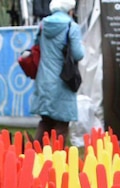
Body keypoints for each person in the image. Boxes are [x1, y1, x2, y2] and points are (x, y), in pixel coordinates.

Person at [30, 0, 85, 143]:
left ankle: (35, 155)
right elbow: (78, 54)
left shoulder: (43, 25)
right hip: (63, 80)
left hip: (44, 78)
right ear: (70, 9)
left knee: (46, 121)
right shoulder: (71, 26)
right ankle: (56, 158)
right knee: (62, 123)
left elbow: (36, 47)